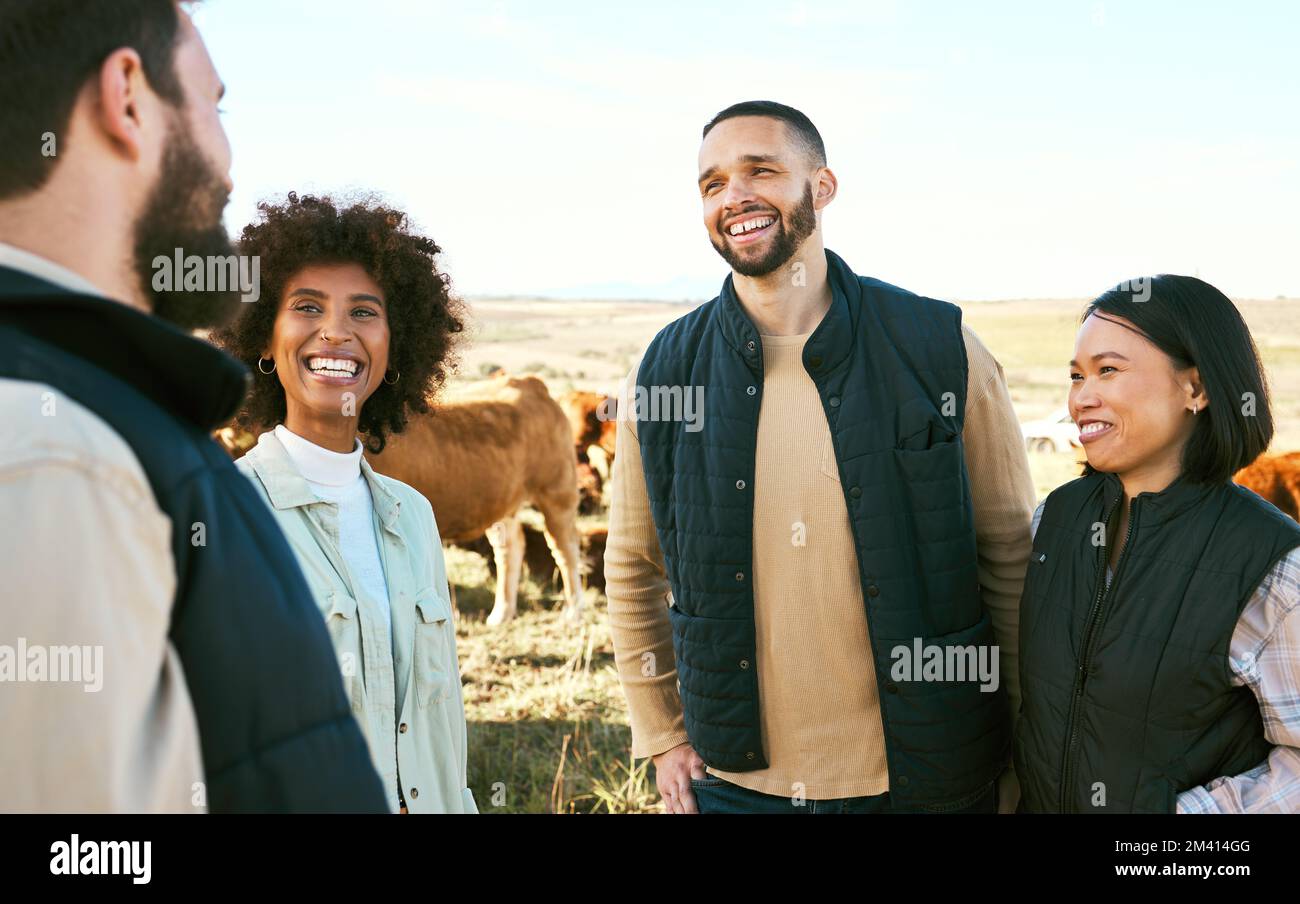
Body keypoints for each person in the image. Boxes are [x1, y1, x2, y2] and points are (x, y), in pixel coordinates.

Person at [0, 0, 386, 812]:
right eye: (215, 105)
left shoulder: (91, 413)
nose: (228, 160)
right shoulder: (61, 455)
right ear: (129, 97)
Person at [604, 100, 1036, 814]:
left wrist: (1024, 735)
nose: (734, 196)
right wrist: (661, 731)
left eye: (761, 171)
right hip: (740, 786)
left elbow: (1009, 555)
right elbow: (632, 564)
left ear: (823, 187)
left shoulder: (940, 349)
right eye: (712, 184)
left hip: (931, 778)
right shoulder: (664, 374)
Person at [215, 193, 477, 814]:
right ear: (262, 336)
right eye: (306, 307)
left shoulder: (412, 514)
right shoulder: (221, 515)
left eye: (364, 311)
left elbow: (444, 731)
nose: (336, 331)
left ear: (395, 348)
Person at [1014, 276, 1300, 813]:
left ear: (1197, 388)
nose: (1082, 397)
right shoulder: (1054, 522)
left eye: (1108, 370)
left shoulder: (1274, 567)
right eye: (1076, 376)